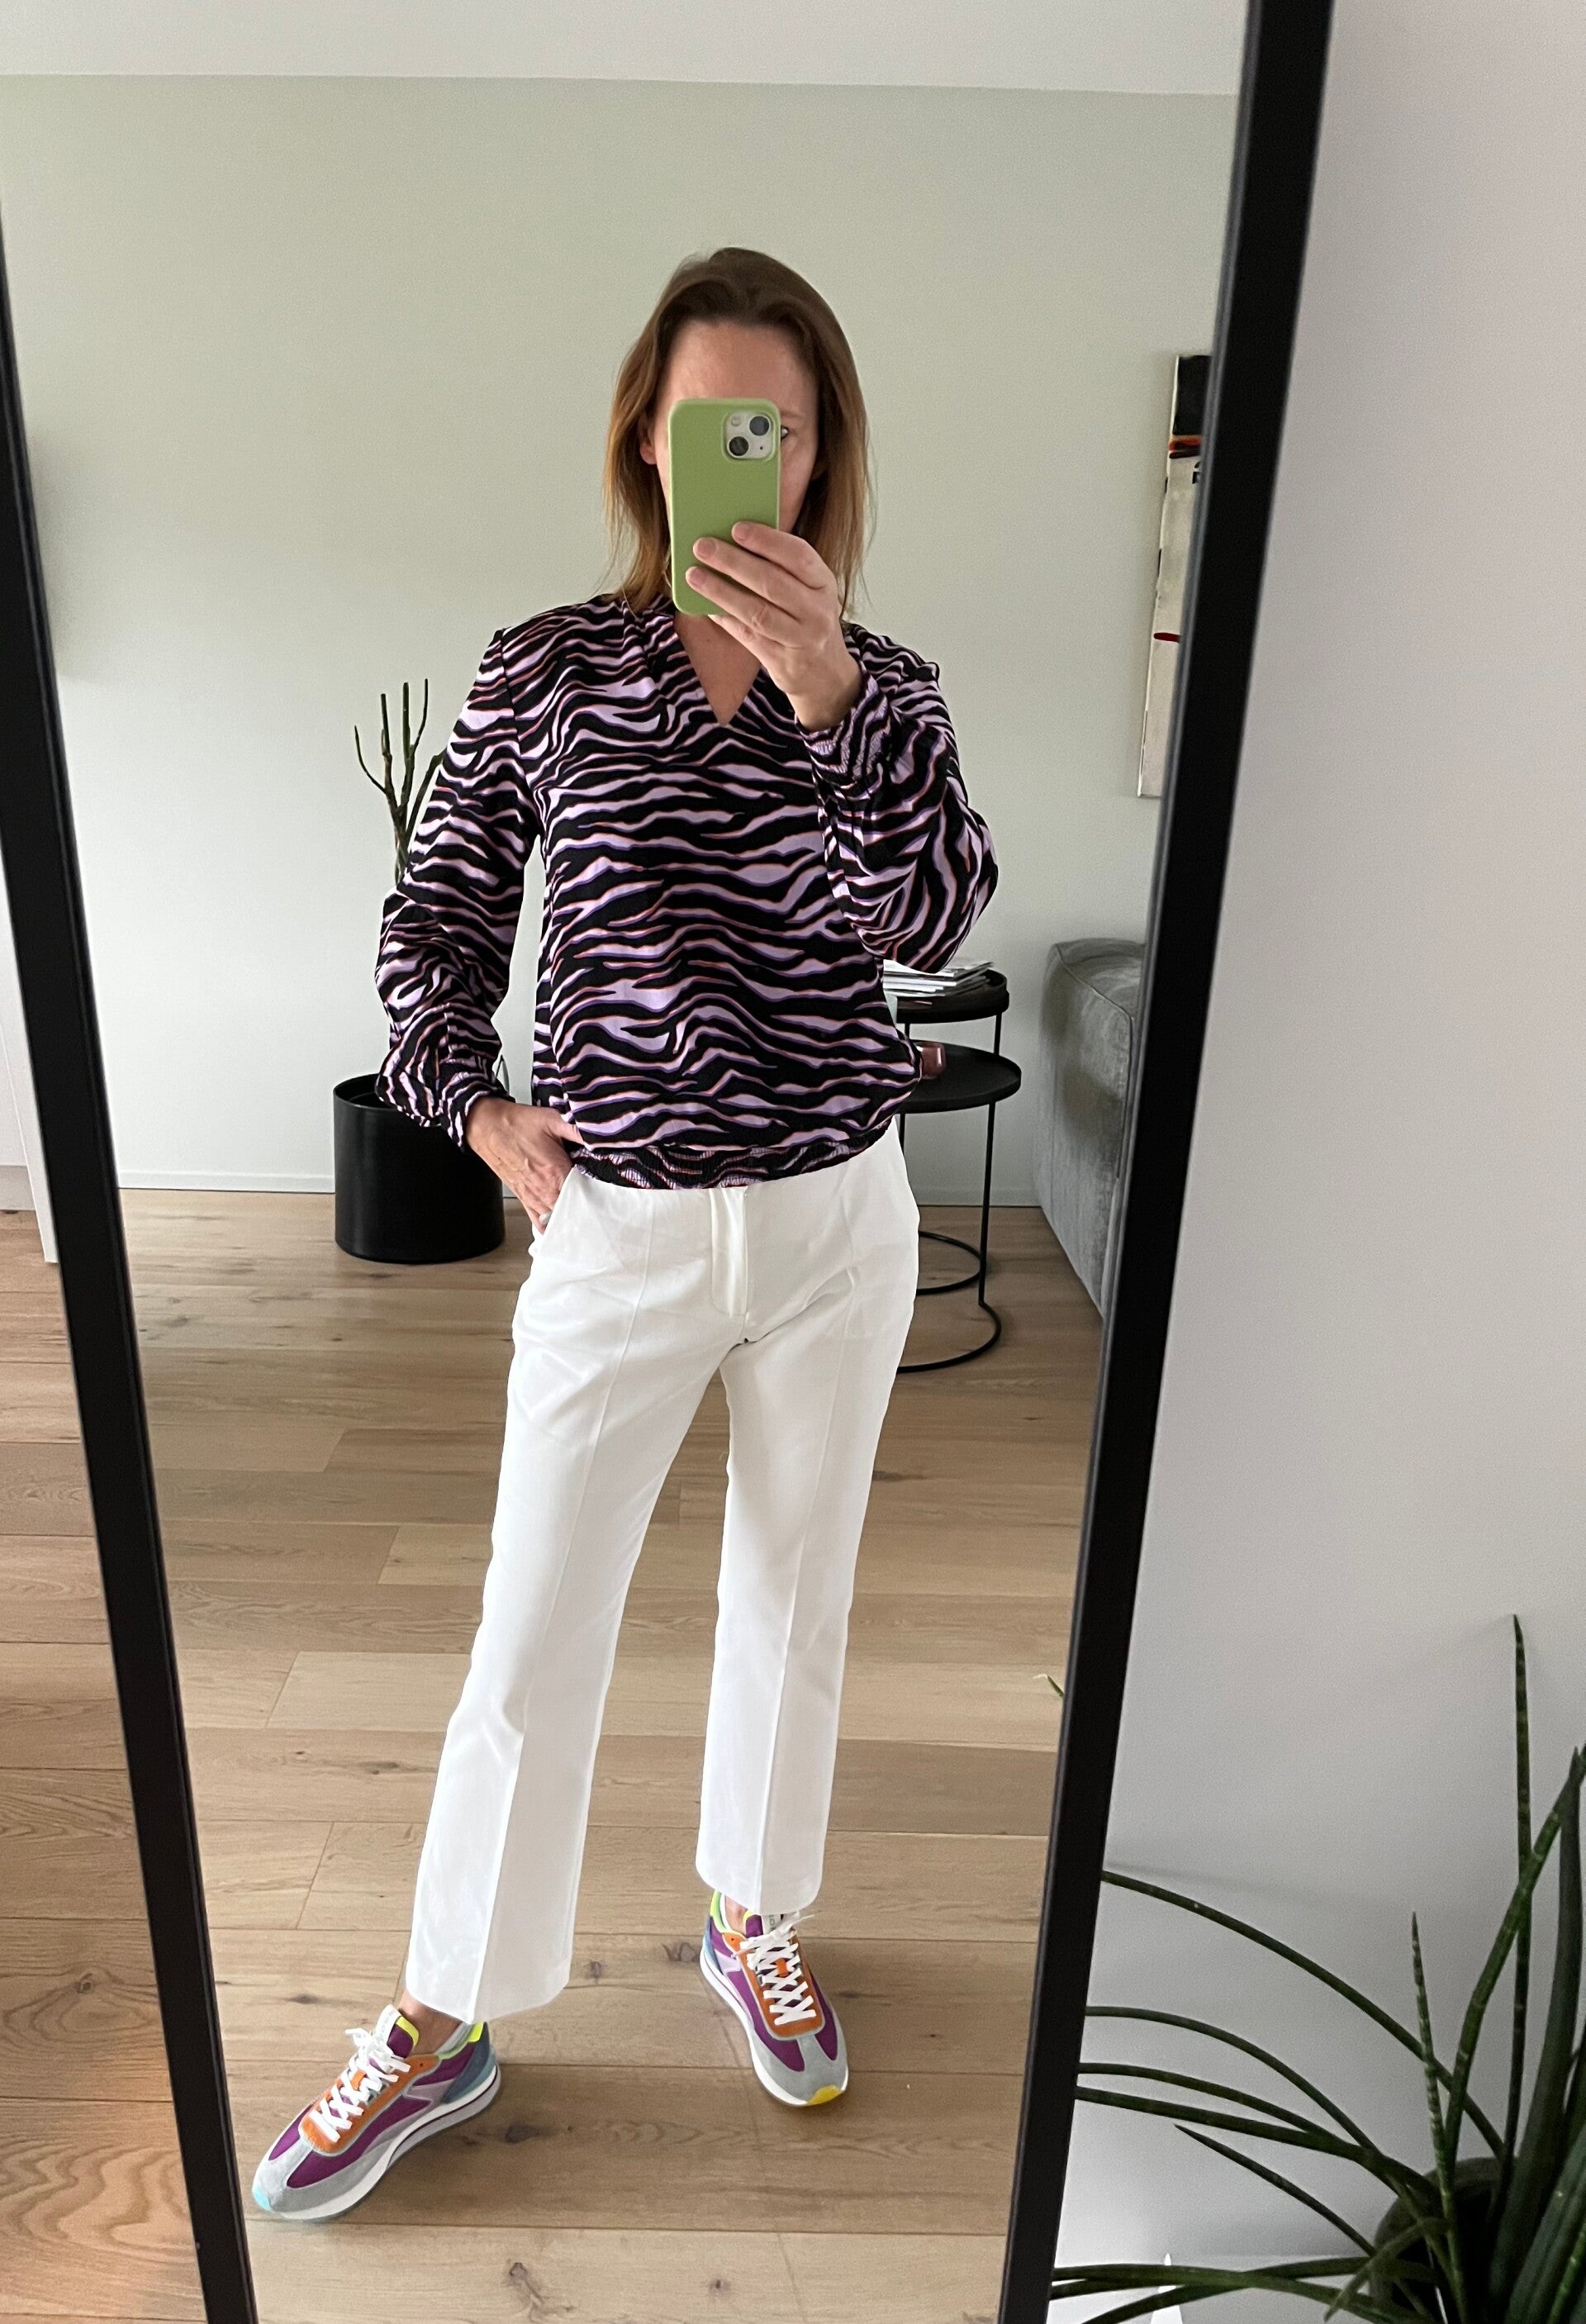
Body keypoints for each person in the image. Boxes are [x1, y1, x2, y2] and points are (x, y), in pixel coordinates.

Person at [253, 246, 997, 2221]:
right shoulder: (543, 671)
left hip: (838, 1219)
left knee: (796, 1592)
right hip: (625, 1226)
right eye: (706, 421)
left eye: (782, 425)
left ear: (821, 454)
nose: (745, 454)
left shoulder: (887, 689)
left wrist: (835, 695)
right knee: (533, 1626)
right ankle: (445, 2015)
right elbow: (435, 922)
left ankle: (753, 1911)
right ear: (649, 443)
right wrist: (472, 1106)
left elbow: (937, 916)